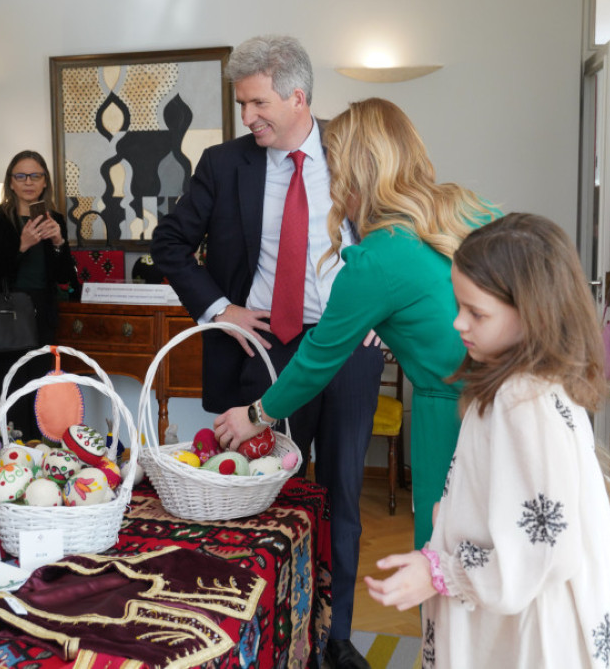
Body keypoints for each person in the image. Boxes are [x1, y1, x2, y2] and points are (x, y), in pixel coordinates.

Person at [150, 35, 385, 669]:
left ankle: (336, 639)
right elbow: (169, 243)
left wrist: (384, 315)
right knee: (266, 493)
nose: (247, 116)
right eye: (242, 104)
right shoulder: (224, 164)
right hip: (265, 348)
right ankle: (271, 633)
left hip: (346, 345)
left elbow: (399, 230)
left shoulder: (354, 151)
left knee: (340, 491)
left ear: (297, 96)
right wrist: (219, 308)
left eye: (257, 103)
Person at [211, 97, 498, 553]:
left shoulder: (375, 259)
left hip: (451, 414)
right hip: (509, 403)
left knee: (445, 557)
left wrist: (253, 416)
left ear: (349, 172)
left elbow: (318, 358)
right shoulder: (468, 207)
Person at [364, 213, 610, 669]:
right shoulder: (533, 382)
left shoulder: (522, 399)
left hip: (530, 620)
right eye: (459, 305)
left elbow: (544, 545)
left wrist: (439, 573)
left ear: (532, 313)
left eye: (476, 313)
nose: (458, 323)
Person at [0, 150, 79, 441]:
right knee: (5, 390)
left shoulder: (55, 219)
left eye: (35, 176)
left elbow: (65, 279)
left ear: (45, 182)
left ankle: (36, 453)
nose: (28, 182)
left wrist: (58, 242)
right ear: (11, 182)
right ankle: (2, 452)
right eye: (21, 176)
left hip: (40, 316)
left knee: (39, 393)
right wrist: (21, 245)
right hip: (3, 318)